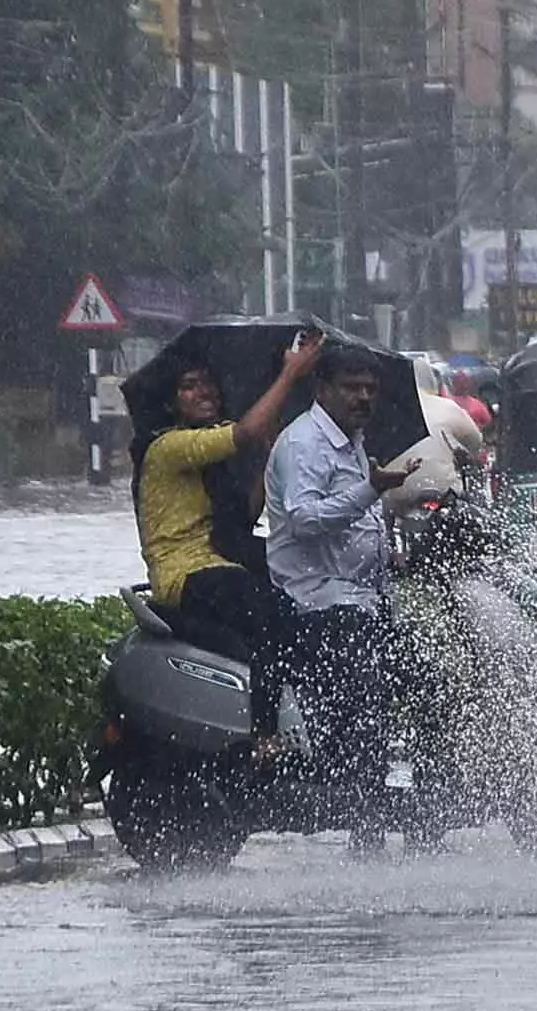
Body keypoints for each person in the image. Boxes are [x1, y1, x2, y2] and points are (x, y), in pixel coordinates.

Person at [136, 334, 323, 733]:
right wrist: (290, 372)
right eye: (189, 386)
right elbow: (246, 433)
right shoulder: (170, 447)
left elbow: (243, 518)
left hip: (219, 561)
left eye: (206, 383)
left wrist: (267, 464)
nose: (202, 392)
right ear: (171, 403)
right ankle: (266, 735)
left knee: (307, 597)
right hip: (185, 573)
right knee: (274, 612)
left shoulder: (210, 459)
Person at [267, 352, 420, 819]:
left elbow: (359, 519)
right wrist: (370, 490)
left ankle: (423, 808)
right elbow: (304, 518)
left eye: (370, 389)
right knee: (365, 704)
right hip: (318, 602)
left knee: (429, 676)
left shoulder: (352, 440)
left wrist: (391, 553)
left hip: (361, 598)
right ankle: (362, 816)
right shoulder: (304, 444)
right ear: (322, 389)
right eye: (352, 387)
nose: (364, 397)